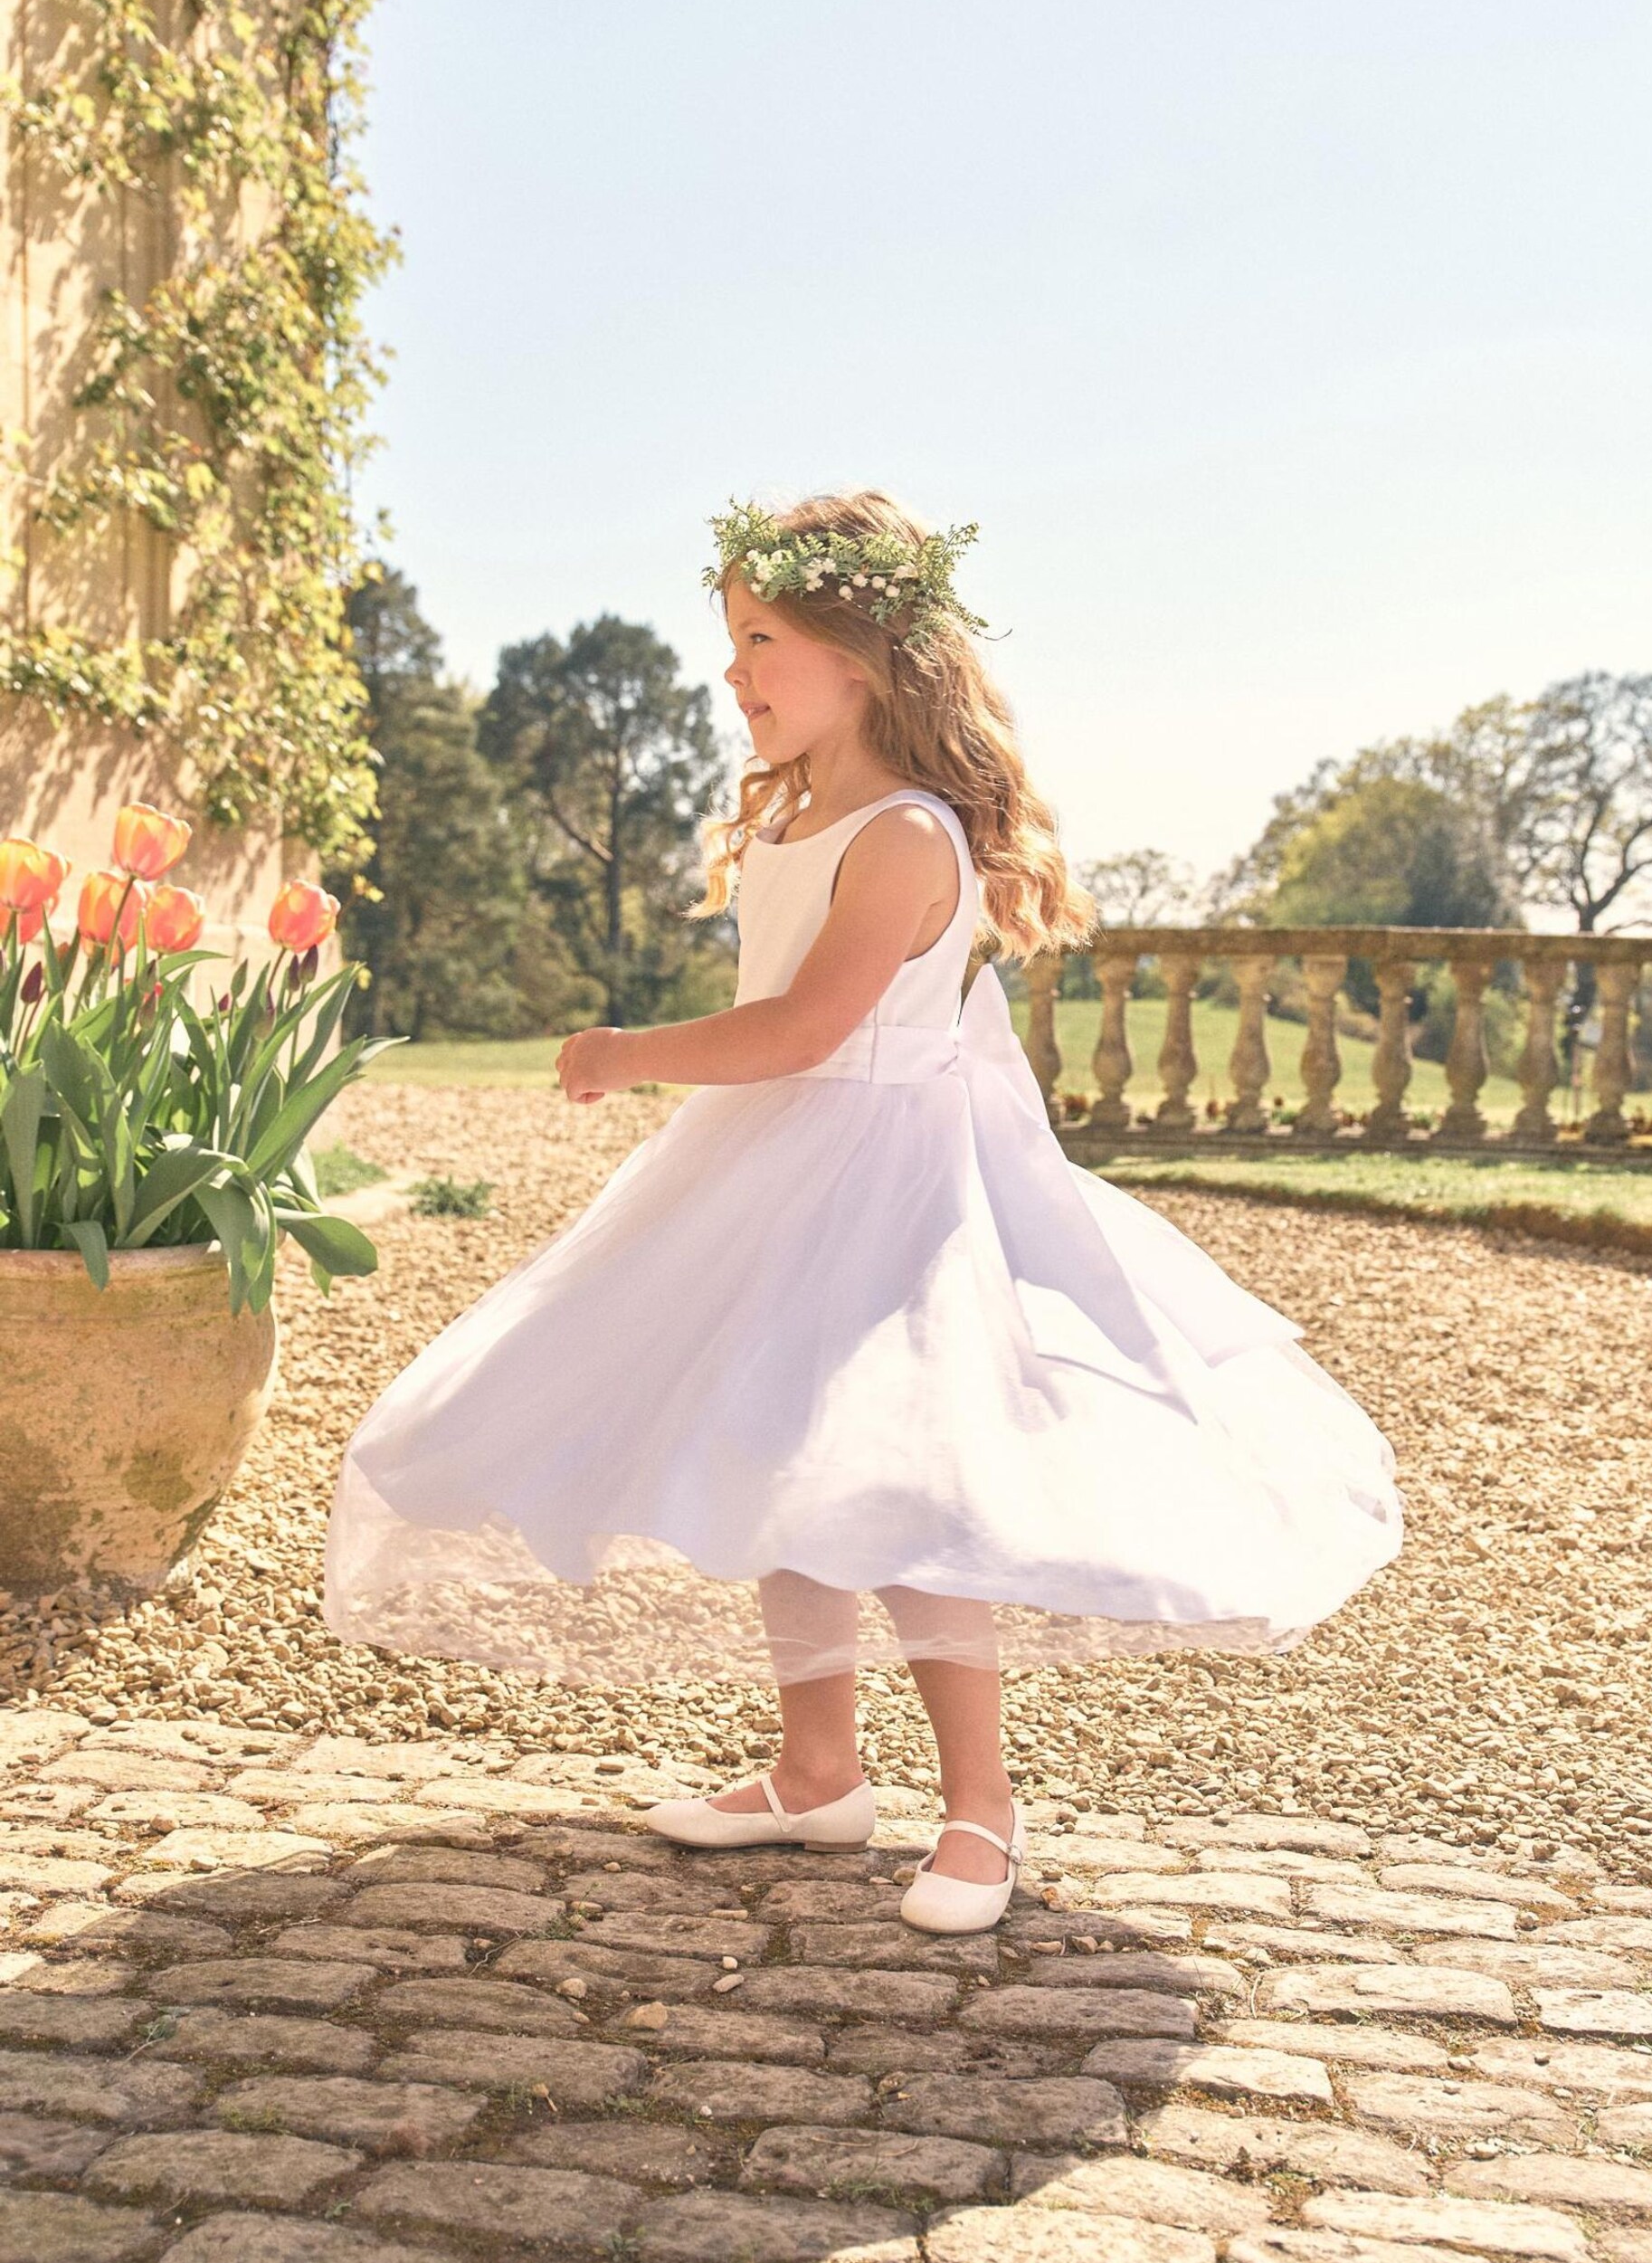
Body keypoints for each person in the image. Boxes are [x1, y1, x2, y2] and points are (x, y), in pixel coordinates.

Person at [324, 489, 1403, 1935]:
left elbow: (814, 1027)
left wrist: (629, 1052)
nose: (734, 671)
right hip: (773, 1168)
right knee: (789, 1457)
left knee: (898, 1487)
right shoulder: (810, 814)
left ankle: (982, 1810)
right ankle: (819, 1769)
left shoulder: (902, 833)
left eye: (763, 638)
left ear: (867, 653)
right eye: (731, 640)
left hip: (883, 1183)